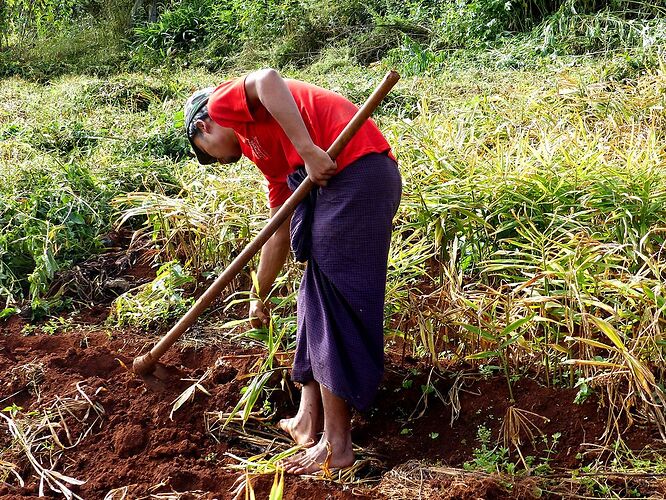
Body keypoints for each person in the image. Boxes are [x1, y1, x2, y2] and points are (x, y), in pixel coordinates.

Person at [184, 69, 401, 474]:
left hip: (356, 171)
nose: (214, 158)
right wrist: (257, 293)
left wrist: (308, 149)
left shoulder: (221, 103)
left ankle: (336, 446)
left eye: (204, 150)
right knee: (313, 295)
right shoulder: (265, 154)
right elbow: (278, 231)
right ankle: (307, 418)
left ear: (203, 126)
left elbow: (267, 78)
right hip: (341, 181)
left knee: (333, 302)